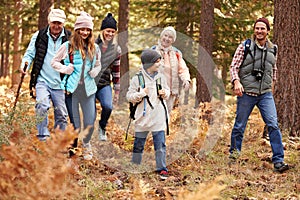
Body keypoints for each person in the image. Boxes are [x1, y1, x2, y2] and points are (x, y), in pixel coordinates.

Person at [229, 17, 289, 173]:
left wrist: (272, 85)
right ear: (254, 30)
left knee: (273, 125)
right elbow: (234, 66)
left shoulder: (273, 48)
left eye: (263, 28)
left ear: (268, 31)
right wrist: (236, 82)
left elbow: (273, 69)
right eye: (257, 28)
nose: (259, 31)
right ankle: (234, 157)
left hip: (265, 95)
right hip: (246, 93)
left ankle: (278, 161)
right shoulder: (245, 46)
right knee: (239, 126)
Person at [51, 11, 101, 160]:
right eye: (82, 29)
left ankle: (86, 145)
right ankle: (73, 151)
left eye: (88, 30)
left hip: (89, 90)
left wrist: (95, 71)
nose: (85, 32)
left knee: (90, 121)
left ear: (91, 31)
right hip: (71, 90)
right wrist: (65, 69)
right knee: (75, 124)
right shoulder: (67, 46)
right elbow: (54, 62)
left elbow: (98, 65)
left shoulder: (95, 48)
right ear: (77, 30)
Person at [20, 9, 69, 141]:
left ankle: (59, 141)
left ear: (63, 23)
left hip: (61, 82)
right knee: (42, 106)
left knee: (62, 114)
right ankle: (43, 137)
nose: (57, 26)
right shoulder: (39, 35)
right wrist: (25, 64)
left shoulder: (69, 38)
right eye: (54, 23)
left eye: (59, 23)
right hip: (43, 80)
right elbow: (29, 54)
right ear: (49, 22)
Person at [126, 49, 170, 180]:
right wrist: (141, 94)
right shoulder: (137, 78)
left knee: (160, 144)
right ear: (148, 64)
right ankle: (135, 165)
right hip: (143, 117)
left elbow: (167, 91)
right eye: (157, 61)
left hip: (158, 116)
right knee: (139, 144)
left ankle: (162, 168)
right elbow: (129, 96)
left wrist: (165, 93)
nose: (160, 64)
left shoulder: (161, 77)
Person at [95, 13, 121, 141]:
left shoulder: (117, 49)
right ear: (102, 31)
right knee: (90, 113)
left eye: (113, 32)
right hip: (90, 83)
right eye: (108, 31)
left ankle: (102, 127)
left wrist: (116, 91)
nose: (110, 34)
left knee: (108, 106)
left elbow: (116, 71)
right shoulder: (93, 44)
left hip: (104, 84)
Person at [152, 26, 191, 113]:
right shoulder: (153, 51)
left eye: (170, 37)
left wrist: (186, 80)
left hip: (170, 91)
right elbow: (144, 69)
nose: (167, 38)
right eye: (165, 35)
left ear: (173, 40)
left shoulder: (176, 54)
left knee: (166, 115)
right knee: (156, 115)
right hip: (156, 91)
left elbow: (183, 69)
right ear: (161, 36)